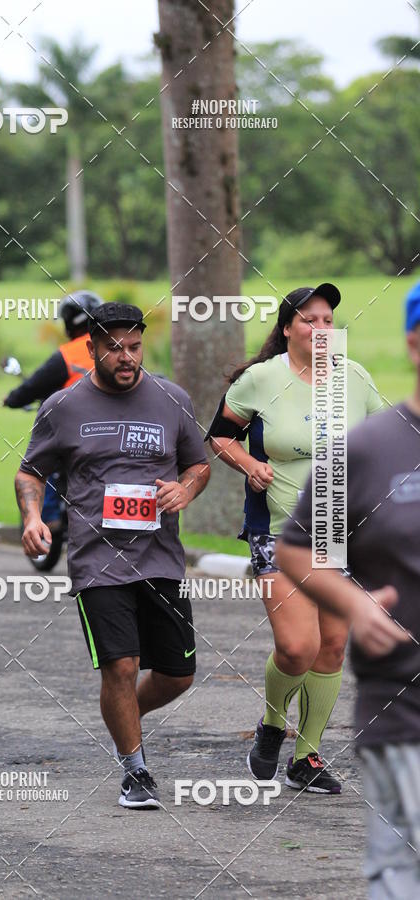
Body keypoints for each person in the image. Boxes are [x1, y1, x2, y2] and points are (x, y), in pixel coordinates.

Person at [15, 302, 210, 809]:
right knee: (120, 668)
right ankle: (136, 770)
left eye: (134, 346)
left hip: (161, 557)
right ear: (92, 348)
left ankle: (123, 716)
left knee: (177, 674)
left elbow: (198, 466)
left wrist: (186, 491)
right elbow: (30, 472)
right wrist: (33, 517)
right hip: (96, 560)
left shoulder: (171, 398)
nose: (126, 357)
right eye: (114, 347)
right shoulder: (63, 406)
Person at [206, 283, 382, 793]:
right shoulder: (261, 379)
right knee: (297, 647)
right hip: (279, 530)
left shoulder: (354, 378)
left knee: (331, 648)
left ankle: (306, 758)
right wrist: (248, 463)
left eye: (328, 320)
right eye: (309, 319)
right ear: (287, 328)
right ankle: (271, 723)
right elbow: (219, 434)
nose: (321, 328)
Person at [276, 284, 420, 896]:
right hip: (407, 709)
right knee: (404, 870)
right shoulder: (367, 452)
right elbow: (299, 547)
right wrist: (354, 602)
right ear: (414, 342)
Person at [3, 290, 102, 526]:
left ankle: (49, 519)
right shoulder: (115, 347)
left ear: (69, 322)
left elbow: (33, 386)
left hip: (77, 430)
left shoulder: (67, 355)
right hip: (116, 426)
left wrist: (12, 398)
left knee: (43, 462)